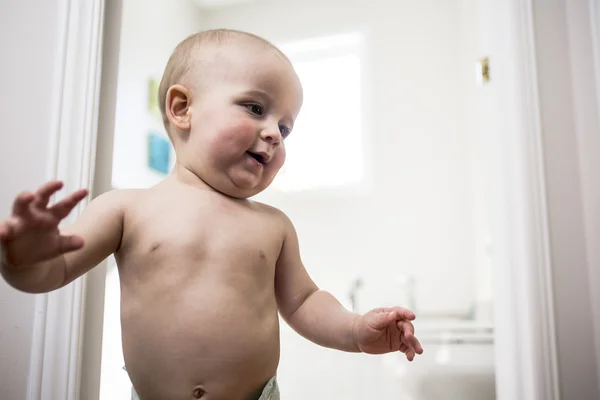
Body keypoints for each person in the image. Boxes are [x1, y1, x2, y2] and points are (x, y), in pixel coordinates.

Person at [0, 29, 423, 400]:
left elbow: (304, 302)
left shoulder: (273, 226)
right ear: (182, 108)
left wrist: (353, 330)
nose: (275, 132)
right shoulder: (125, 209)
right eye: (256, 108)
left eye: (286, 127)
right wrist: (22, 260)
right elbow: (49, 275)